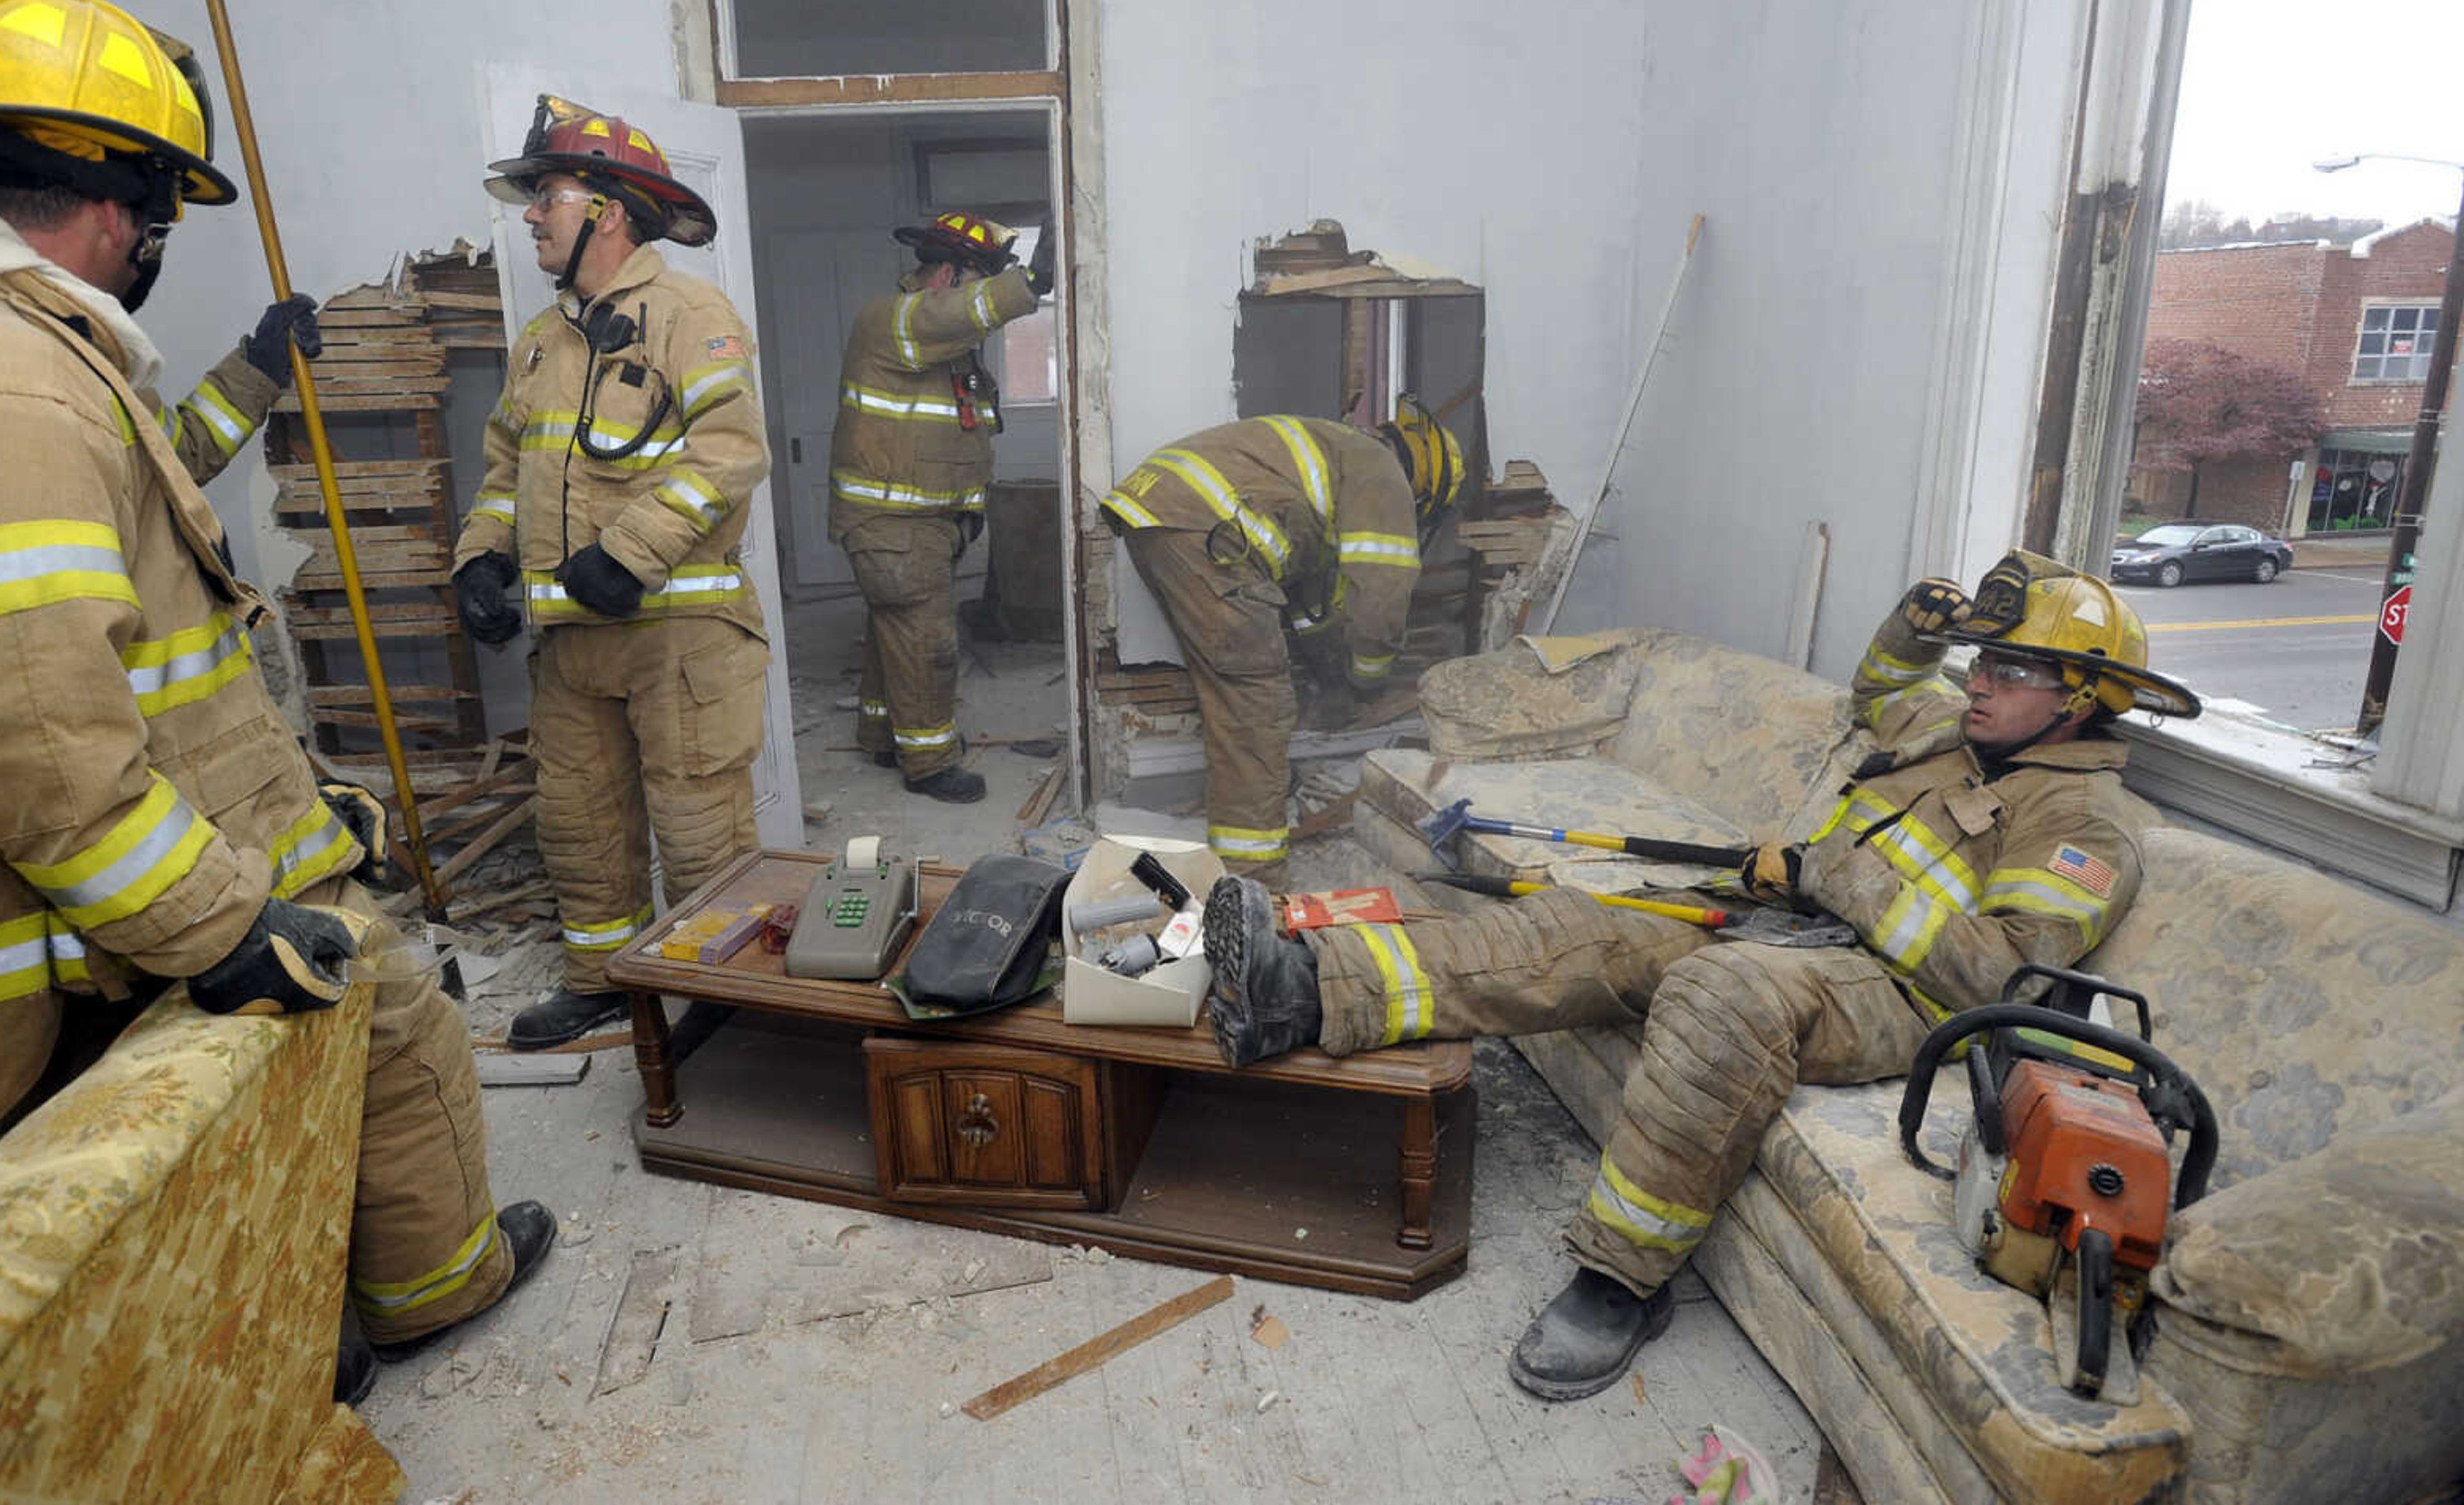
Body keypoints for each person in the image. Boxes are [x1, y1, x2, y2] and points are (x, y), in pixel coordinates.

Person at [0, 0, 551, 1397]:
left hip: (121, 878)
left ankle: (315, 1305)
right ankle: (427, 1292)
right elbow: (28, 729)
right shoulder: (2, 385)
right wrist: (220, 919)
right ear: (116, 202)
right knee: (383, 1016)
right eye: (162, 211)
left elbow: (154, 487)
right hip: (59, 946)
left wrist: (253, 374)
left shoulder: (26, 357)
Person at [1200, 550, 2200, 1401]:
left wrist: (1830, 874)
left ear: (2081, 698)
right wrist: (1912, 629)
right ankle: (1305, 988)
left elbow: (1999, 970)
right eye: (1983, 659)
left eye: (2013, 667)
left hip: (1898, 997)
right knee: (1583, 928)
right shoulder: (1956, 734)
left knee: (1718, 995)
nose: (1981, 681)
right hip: (1797, 922)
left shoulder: (2084, 824)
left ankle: (1622, 1279)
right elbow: (1882, 692)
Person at [455, 95, 774, 1050]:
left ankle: (726, 998)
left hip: (679, 641)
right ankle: (602, 979)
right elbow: (508, 468)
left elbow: (731, 446)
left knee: (699, 826)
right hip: (572, 648)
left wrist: (628, 552)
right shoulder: (544, 341)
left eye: (545, 195)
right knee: (580, 824)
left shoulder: (690, 313)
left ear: (608, 208)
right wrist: (480, 555)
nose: (530, 216)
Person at [1100, 402, 1464, 885]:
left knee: (1230, 690)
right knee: (1255, 705)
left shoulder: (1339, 456)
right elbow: (1379, 605)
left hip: (1158, 516)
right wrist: (1366, 680)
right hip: (1206, 534)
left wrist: (1325, 671)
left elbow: (1307, 607)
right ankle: (1254, 877)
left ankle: (1250, 796)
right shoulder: (1385, 477)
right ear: (1426, 485)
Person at [829, 210, 1054, 804]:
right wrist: (1028, 285)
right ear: (950, 275)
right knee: (928, 645)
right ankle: (929, 763)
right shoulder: (896, 319)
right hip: (895, 525)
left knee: (894, 635)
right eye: (979, 285)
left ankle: (882, 734)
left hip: (918, 524)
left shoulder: (940, 347)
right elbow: (957, 314)